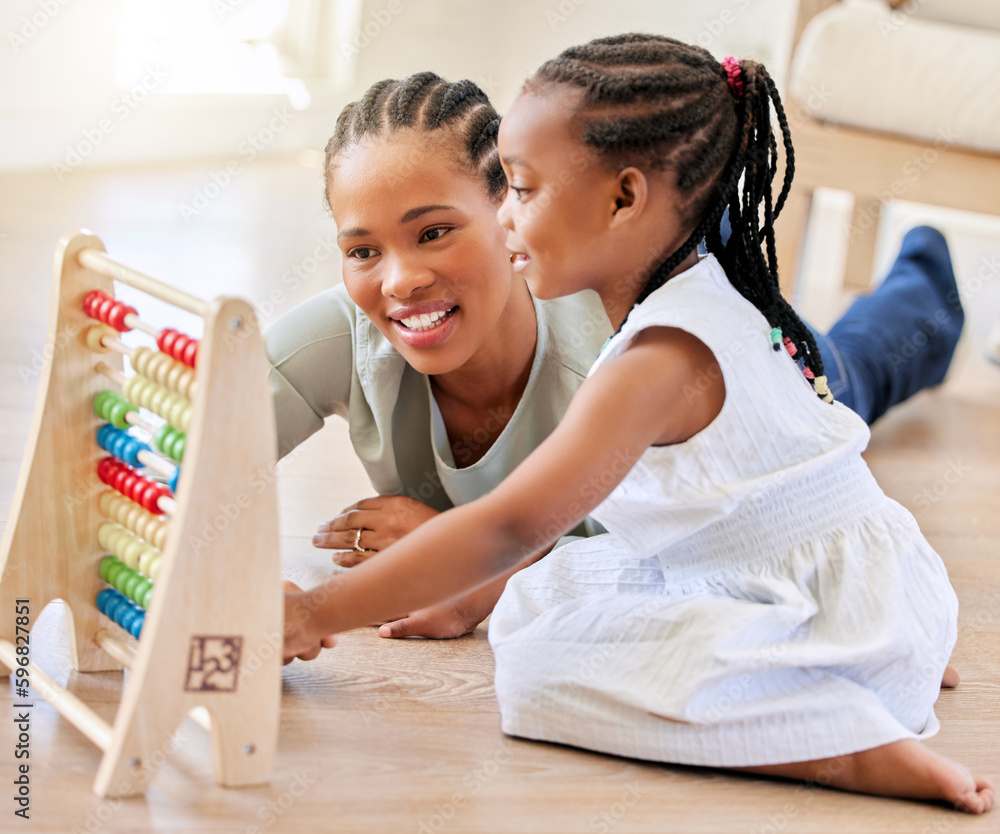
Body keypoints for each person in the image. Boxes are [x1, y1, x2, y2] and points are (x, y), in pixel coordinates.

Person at [281, 35, 992, 813]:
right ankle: (868, 653)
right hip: (809, 568)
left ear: (622, 200)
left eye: (519, 190)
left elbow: (508, 528)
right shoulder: (681, 295)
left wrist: (315, 613)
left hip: (814, 546)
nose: (506, 219)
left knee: (543, 669)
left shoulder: (650, 363)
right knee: (543, 601)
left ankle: (843, 742)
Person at [267, 73, 963, 639]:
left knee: (860, 367)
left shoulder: (634, 358)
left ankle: (928, 284)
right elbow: (200, 440)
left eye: (435, 232)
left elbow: (685, 558)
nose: (398, 280)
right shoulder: (344, 333)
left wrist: (462, 556)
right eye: (363, 250)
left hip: (748, 372)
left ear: (510, 213)